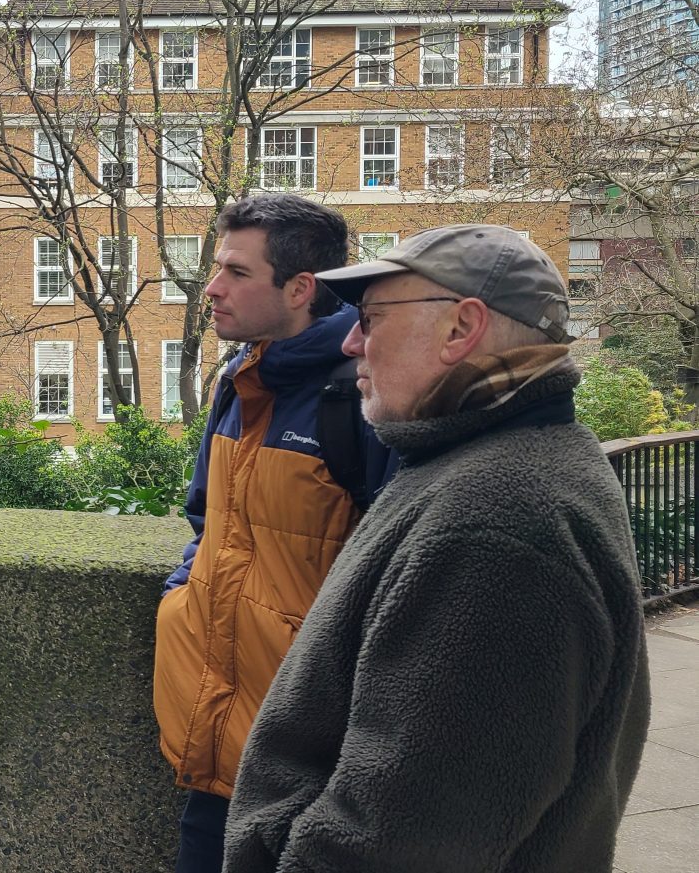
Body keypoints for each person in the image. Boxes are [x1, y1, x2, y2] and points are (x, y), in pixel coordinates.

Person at [223, 224, 651, 872]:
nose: (350, 342)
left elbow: (395, 841)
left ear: (461, 328)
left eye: (371, 318)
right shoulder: (496, 463)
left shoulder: (495, 529)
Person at [153, 194, 394, 873]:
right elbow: (208, 521)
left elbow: (399, 569)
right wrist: (182, 601)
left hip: (312, 758)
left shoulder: (364, 394)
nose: (212, 287)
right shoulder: (240, 379)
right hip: (214, 733)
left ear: (299, 288)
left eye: (236, 272)